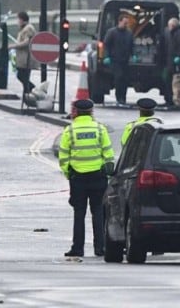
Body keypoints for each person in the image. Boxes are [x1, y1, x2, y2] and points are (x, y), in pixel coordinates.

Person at [58, 99, 114, 257]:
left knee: (79, 214)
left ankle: (78, 248)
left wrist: (70, 173)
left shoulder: (69, 131)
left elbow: (63, 156)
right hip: (98, 177)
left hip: (78, 178)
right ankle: (100, 248)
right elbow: (108, 154)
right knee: (98, 213)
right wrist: (106, 173)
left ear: (75, 111)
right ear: (91, 111)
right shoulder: (100, 129)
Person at [103, 13, 134, 107]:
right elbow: (106, 45)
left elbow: (131, 46)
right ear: (119, 21)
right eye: (124, 23)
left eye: (127, 23)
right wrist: (107, 56)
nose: (126, 25)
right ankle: (119, 97)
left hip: (125, 60)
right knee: (119, 78)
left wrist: (133, 55)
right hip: (115, 60)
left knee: (125, 80)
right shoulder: (112, 32)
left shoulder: (129, 33)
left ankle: (123, 98)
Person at [8, 11, 39, 98]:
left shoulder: (28, 28)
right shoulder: (24, 28)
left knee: (22, 76)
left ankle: (35, 90)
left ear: (22, 19)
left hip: (26, 58)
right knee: (23, 77)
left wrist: (13, 46)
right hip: (23, 58)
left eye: (18, 19)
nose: (17, 21)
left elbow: (27, 42)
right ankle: (27, 95)